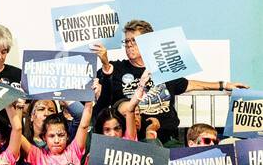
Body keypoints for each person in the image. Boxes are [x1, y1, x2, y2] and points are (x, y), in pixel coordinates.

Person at [96, 19, 247, 145]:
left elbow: (191, 84)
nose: (129, 45)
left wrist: (224, 85)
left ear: (148, 43)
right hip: (135, 141)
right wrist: (104, 63)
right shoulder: (117, 69)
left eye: (134, 41)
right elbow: (101, 85)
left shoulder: (163, 68)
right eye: (126, 41)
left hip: (168, 139)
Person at [19, 88, 95, 165]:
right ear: (44, 137)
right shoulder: (37, 155)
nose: (56, 140)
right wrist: (17, 106)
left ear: (67, 136)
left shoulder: (73, 150)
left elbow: (83, 123)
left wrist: (88, 101)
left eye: (61, 135)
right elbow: (16, 131)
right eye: (51, 136)